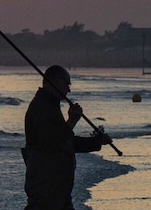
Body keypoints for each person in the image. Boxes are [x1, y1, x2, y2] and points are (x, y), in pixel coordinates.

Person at [23, 65, 114, 210]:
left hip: (57, 190)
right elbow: (51, 142)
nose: (69, 89)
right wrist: (72, 120)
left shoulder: (51, 106)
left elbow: (65, 142)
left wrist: (96, 142)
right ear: (54, 82)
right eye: (67, 84)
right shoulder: (41, 108)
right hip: (46, 190)